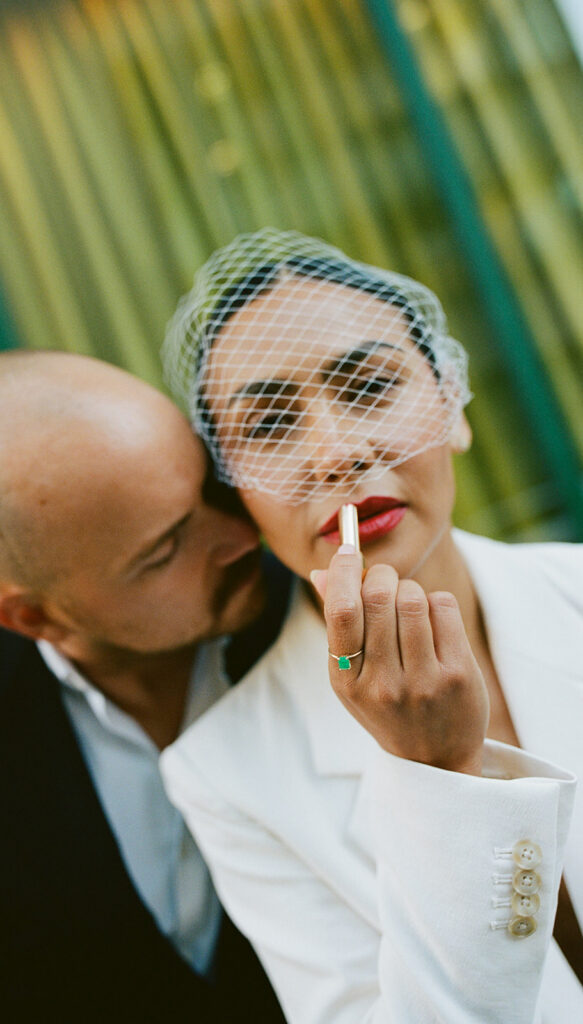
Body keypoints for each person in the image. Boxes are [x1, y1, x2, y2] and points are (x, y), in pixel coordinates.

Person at [159, 228, 583, 1022]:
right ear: (236, 495)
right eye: (271, 425)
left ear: (452, 405)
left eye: (367, 387)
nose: (336, 452)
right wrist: (439, 777)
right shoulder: (226, 776)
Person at [0, 350, 288, 1024]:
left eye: (211, 488)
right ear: (35, 617)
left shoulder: (329, 622)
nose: (238, 537)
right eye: (163, 551)